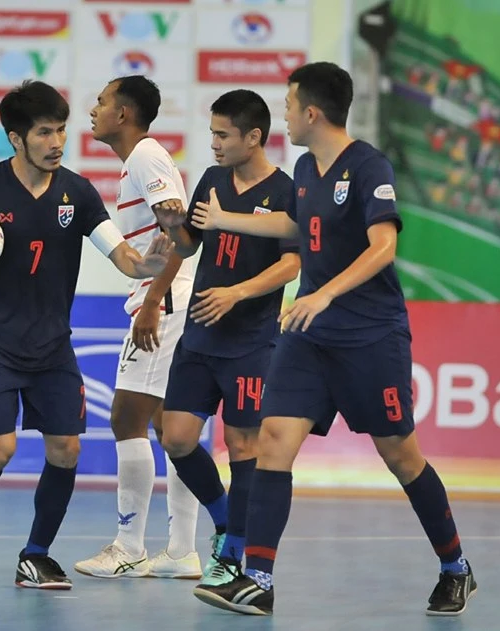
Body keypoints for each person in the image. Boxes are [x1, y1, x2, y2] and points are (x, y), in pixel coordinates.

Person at [187, 62, 476, 616]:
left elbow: (383, 247)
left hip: (369, 336)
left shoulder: (369, 166)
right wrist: (227, 219)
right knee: (274, 439)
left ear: (313, 113)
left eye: (290, 106)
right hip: (308, 336)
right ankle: (259, 580)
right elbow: (296, 226)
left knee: (401, 457)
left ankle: (455, 567)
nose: (286, 116)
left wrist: (323, 294)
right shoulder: (304, 167)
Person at [0, 80, 173, 590]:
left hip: (53, 348)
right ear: (16, 139)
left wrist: (147, 264)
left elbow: (123, 256)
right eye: (44, 133)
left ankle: (35, 555)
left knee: (66, 450)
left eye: (61, 130)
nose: (56, 141)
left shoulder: (76, 193)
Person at [154, 89, 300, 587]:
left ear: (253, 137)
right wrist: (172, 227)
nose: (214, 144)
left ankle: (234, 552)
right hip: (199, 335)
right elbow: (191, 243)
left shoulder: (285, 192)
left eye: (222, 135)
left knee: (242, 446)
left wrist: (237, 293)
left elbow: (292, 264)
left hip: (251, 342)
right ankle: (222, 519)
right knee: (175, 437)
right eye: (212, 134)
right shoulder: (213, 180)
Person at [73, 75, 202, 579]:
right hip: (171, 299)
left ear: (123, 114)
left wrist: (151, 301)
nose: (94, 110)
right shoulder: (140, 161)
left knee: (126, 418)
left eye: (101, 101)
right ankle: (182, 552)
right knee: (171, 428)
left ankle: (128, 547)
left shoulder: (147, 156)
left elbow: (181, 234)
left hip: (163, 304)